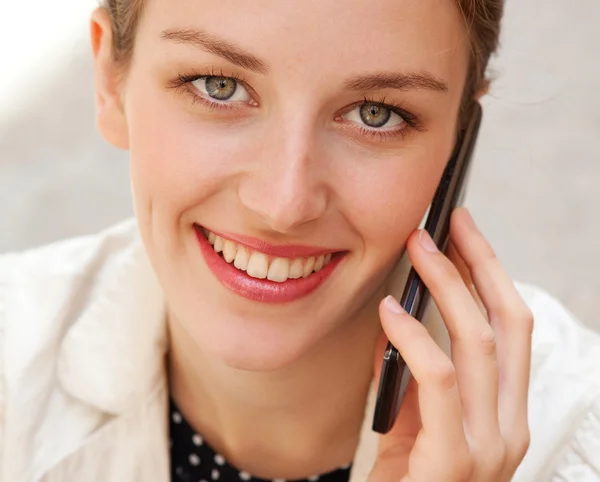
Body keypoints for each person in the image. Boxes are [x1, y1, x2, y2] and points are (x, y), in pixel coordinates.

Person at [1, 0, 599, 481]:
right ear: (110, 82)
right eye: (218, 86)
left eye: (374, 113)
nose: (284, 205)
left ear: (458, 144)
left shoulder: (579, 444)